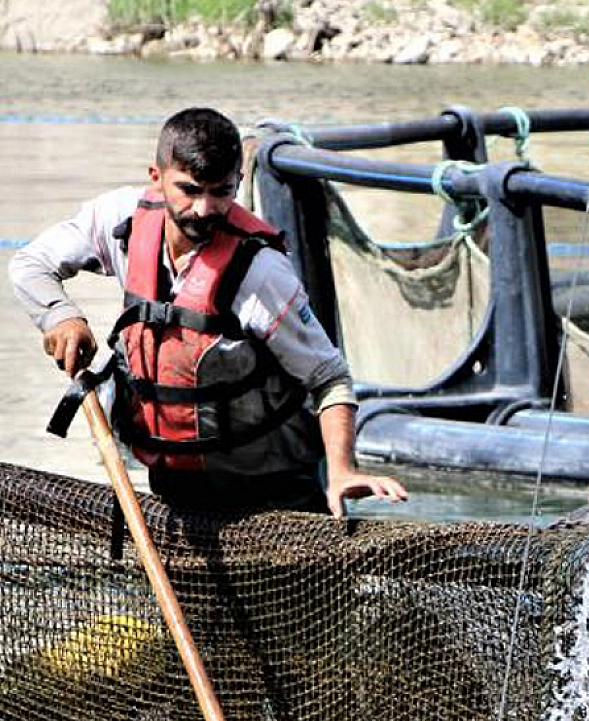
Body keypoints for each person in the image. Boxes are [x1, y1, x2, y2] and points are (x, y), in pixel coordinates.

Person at [9, 106, 405, 517]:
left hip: (272, 496)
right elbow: (30, 265)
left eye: (221, 192)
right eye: (191, 190)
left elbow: (330, 377)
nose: (204, 209)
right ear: (157, 178)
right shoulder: (119, 222)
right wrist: (60, 315)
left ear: (236, 182)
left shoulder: (261, 273)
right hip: (176, 488)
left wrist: (342, 470)